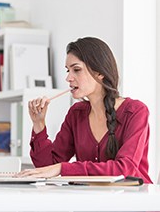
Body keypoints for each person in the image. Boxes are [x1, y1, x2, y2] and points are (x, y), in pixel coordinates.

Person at [16, 37, 153, 183]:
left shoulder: (135, 112)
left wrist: (64, 168)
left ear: (99, 72)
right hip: (92, 202)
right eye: (68, 71)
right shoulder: (76, 114)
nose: (68, 78)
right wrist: (38, 124)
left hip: (134, 202)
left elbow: (124, 169)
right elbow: (46, 167)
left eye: (76, 70)